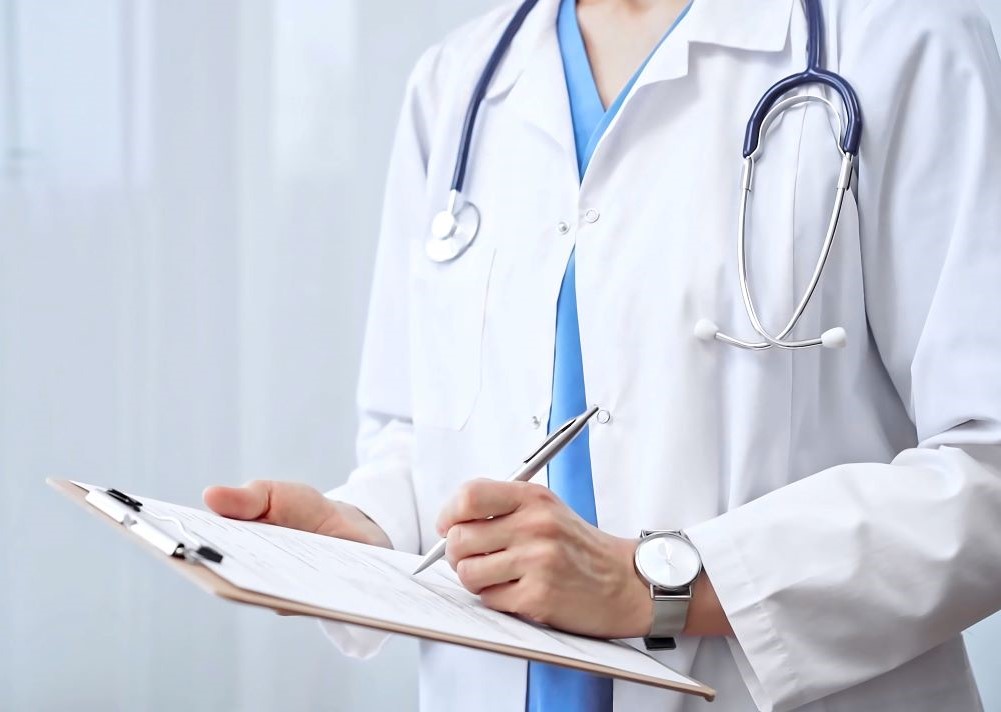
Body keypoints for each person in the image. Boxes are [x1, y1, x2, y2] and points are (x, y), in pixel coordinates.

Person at [204, 0, 1001, 709]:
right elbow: (420, 431)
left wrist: (654, 585)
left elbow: (985, 472)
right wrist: (366, 533)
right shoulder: (460, 83)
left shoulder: (904, 40)